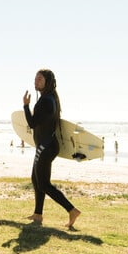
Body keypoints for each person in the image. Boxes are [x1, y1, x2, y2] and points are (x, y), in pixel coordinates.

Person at [23, 69, 81, 228]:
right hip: (45, 146)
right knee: (36, 180)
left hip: (46, 147)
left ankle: (72, 210)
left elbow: (32, 123)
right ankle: (38, 214)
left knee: (43, 184)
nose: (36, 81)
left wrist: (26, 106)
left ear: (48, 82)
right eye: (35, 78)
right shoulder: (47, 99)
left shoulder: (47, 101)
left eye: (40, 79)